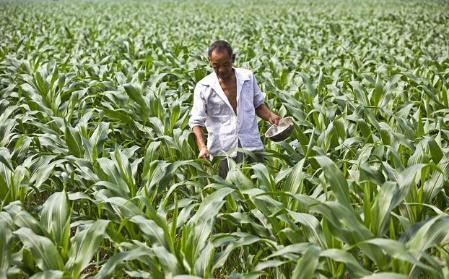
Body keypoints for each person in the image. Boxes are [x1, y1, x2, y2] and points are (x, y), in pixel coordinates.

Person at [189, 40, 281, 178]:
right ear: (209, 62)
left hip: (251, 146)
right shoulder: (204, 87)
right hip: (222, 151)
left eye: (225, 64)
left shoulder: (248, 78)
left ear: (233, 59)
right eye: (216, 66)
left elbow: (258, 105)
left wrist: (271, 116)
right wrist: (202, 147)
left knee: (258, 190)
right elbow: (196, 122)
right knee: (227, 193)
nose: (221, 70)